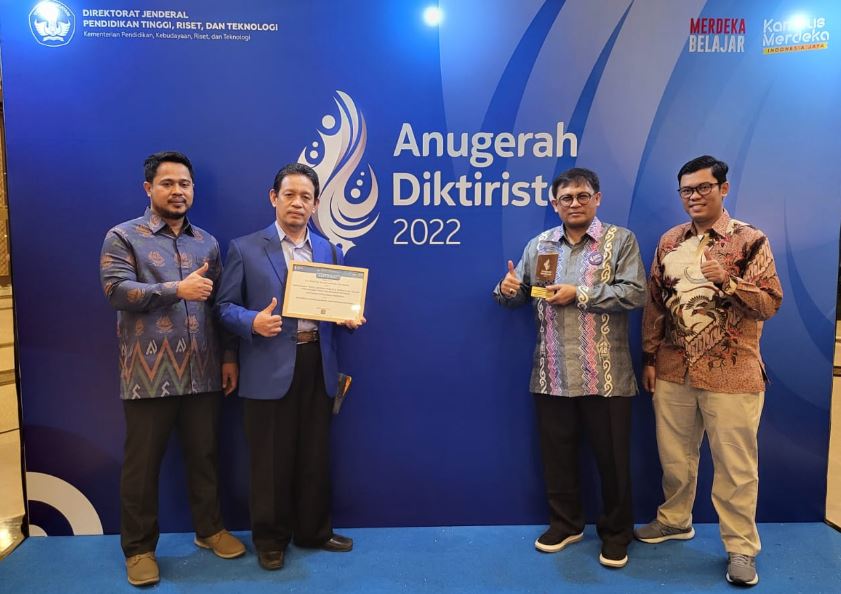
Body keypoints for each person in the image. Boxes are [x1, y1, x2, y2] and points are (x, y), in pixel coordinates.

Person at [636, 155, 783, 587]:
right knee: (674, 458)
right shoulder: (669, 241)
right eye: (687, 190)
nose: (695, 196)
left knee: (736, 467)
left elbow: (770, 303)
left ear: (723, 188)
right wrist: (649, 357)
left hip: (732, 373)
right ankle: (674, 520)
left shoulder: (751, 240)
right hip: (673, 368)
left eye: (703, 187)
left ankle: (741, 548)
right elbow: (655, 303)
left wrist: (729, 282)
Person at [100, 151, 245, 587]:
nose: (177, 191)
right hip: (147, 375)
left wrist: (229, 356)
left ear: (193, 190)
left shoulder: (208, 243)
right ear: (149, 188)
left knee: (205, 457)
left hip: (203, 370)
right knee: (142, 467)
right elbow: (116, 290)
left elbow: (221, 305)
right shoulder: (123, 236)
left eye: (184, 184)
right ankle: (139, 549)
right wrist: (176, 289)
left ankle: (210, 530)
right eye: (167, 183)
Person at [493, 167, 646, 568]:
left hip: (606, 374)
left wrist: (580, 293)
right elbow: (519, 293)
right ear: (554, 203)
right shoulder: (540, 244)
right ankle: (566, 524)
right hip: (552, 371)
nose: (574, 203)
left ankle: (616, 533)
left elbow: (635, 293)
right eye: (566, 198)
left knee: (613, 461)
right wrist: (507, 289)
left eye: (582, 196)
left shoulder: (620, 241)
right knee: (557, 457)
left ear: (598, 198)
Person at [215, 162, 365, 571]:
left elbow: (337, 305)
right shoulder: (245, 248)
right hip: (267, 365)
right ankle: (270, 539)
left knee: (315, 454)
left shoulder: (329, 250)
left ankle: (314, 531)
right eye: (290, 195)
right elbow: (223, 307)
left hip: (318, 362)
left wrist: (347, 317)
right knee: (269, 460)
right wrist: (252, 322)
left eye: (306, 197)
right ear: (273, 198)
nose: (298, 203)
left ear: (315, 204)